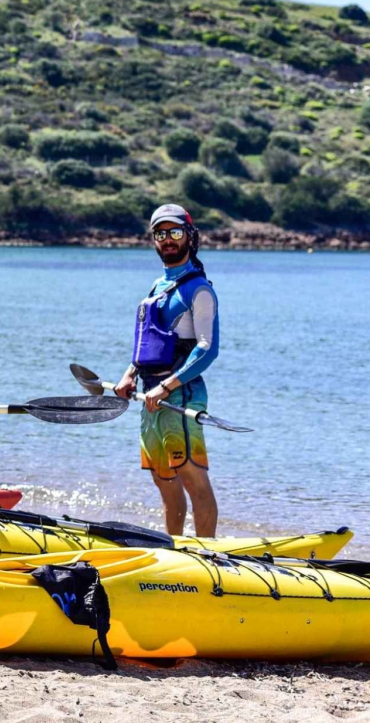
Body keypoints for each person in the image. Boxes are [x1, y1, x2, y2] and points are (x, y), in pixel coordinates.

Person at [113, 204, 221, 537]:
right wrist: (129, 374)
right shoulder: (158, 285)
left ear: (190, 236)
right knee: (164, 481)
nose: (168, 240)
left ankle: (208, 556)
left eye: (175, 232)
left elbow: (207, 348)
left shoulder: (199, 290)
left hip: (180, 397)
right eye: (160, 234)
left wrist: (167, 386)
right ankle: (174, 549)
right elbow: (149, 343)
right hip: (151, 397)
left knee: (193, 478)